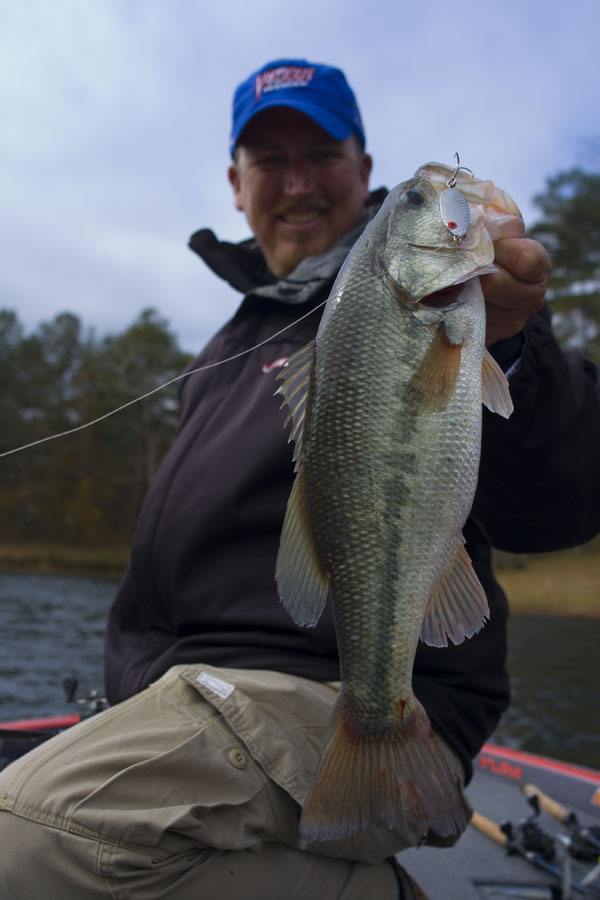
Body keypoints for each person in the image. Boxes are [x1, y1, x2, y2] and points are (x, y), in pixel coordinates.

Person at [0, 58, 599, 900]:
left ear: (362, 167)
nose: (297, 183)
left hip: (331, 688)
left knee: (24, 841)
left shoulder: (447, 307)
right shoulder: (223, 350)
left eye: (321, 155)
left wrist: (513, 351)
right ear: (235, 184)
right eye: (270, 161)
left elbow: (561, 499)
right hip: (179, 699)